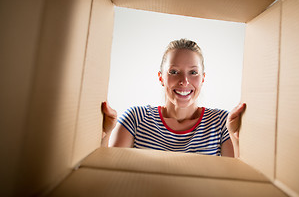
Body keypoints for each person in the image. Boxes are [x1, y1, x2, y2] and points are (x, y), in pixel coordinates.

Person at [101, 39, 246, 157]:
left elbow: (237, 180)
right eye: (174, 71)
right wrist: (105, 134)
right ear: (161, 77)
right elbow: (110, 175)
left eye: (193, 72)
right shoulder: (136, 118)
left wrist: (236, 138)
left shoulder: (221, 123)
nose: (184, 81)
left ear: (203, 78)